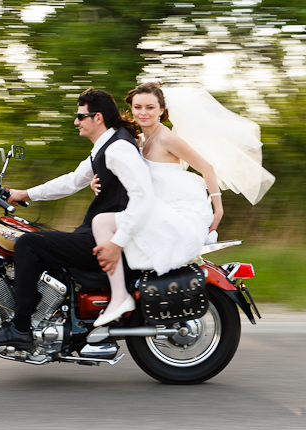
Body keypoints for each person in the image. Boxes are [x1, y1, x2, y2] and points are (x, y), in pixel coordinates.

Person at [0, 88, 155, 349]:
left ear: (98, 118)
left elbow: (143, 194)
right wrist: (22, 194)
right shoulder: (107, 146)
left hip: (109, 239)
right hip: (99, 233)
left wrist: (117, 243)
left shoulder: (118, 149)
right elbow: (72, 181)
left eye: (81, 116)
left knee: (28, 244)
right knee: (37, 240)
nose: (76, 122)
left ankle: (21, 327)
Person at [91, 82, 224, 327]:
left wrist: (218, 208)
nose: (143, 112)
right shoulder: (141, 139)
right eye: (138, 107)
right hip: (156, 205)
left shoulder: (166, 137)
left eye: (150, 107)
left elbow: (206, 167)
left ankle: (119, 297)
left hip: (176, 210)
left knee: (102, 223)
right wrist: (97, 183)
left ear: (161, 110)